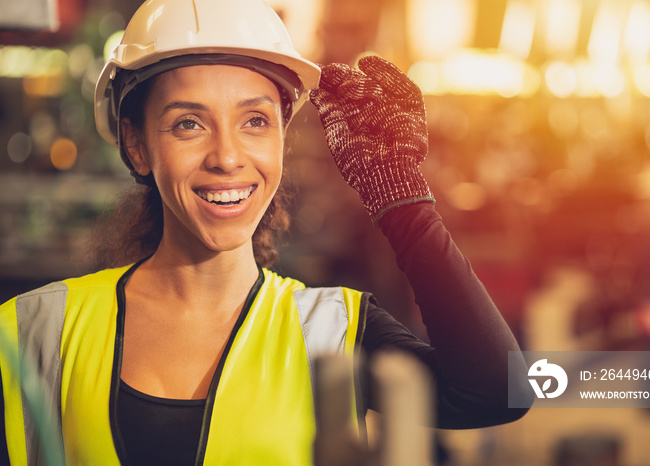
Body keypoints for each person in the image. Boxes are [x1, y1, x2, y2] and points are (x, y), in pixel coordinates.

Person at [0, 0, 532, 464]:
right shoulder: (36, 330)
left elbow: (500, 390)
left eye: (255, 121)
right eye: (189, 123)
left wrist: (402, 203)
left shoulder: (330, 333)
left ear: (281, 137)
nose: (228, 157)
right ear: (136, 146)